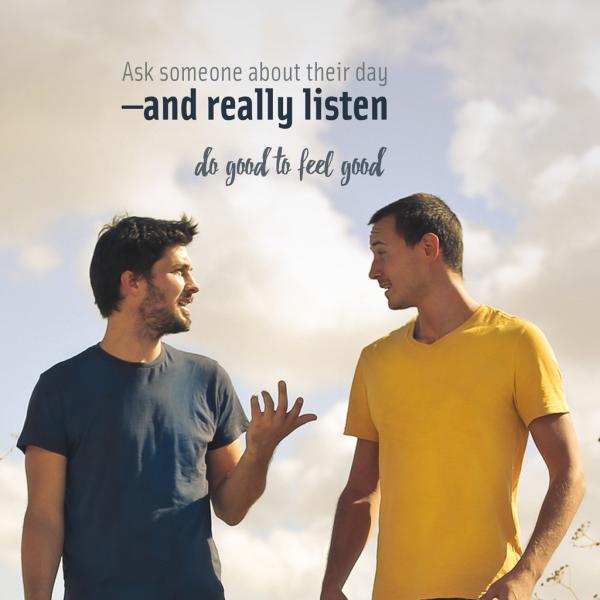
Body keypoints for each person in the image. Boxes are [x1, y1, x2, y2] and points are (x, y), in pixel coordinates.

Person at [18, 215, 317, 600]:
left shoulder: (209, 379)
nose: (193, 286)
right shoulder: (60, 387)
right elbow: (43, 518)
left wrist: (260, 451)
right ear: (133, 282)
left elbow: (231, 508)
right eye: (179, 271)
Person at [320, 193, 585, 600]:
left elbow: (569, 472)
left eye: (381, 252)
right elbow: (361, 488)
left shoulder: (517, 342)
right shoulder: (375, 361)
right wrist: (332, 583)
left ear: (428, 247)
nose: (374, 271)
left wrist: (527, 573)